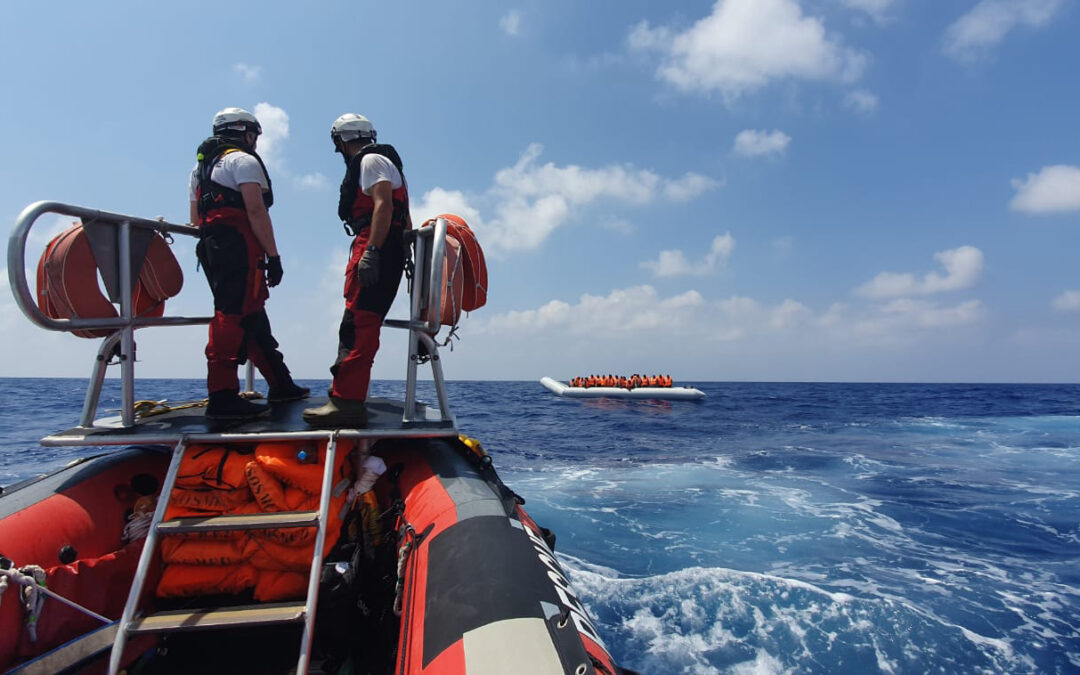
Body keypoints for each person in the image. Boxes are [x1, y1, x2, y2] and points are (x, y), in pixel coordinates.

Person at [190, 107, 309, 420]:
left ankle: (281, 384)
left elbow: (194, 218)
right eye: (253, 134)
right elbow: (256, 211)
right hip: (239, 247)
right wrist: (274, 256)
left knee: (251, 315)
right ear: (244, 132)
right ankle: (222, 396)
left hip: (212, 247)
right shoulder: (241, 161)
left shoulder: (201, 169)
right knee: (231, 317)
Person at [303, 114, 410, 427]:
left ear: (341, 141)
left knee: (358, 322)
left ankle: (347, 402)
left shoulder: (371, 162)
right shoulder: (381, 160)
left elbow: (384, 206)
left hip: (375, 243)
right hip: (381, 244)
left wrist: (372, 252)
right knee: (360, 320)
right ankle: (346, 392)